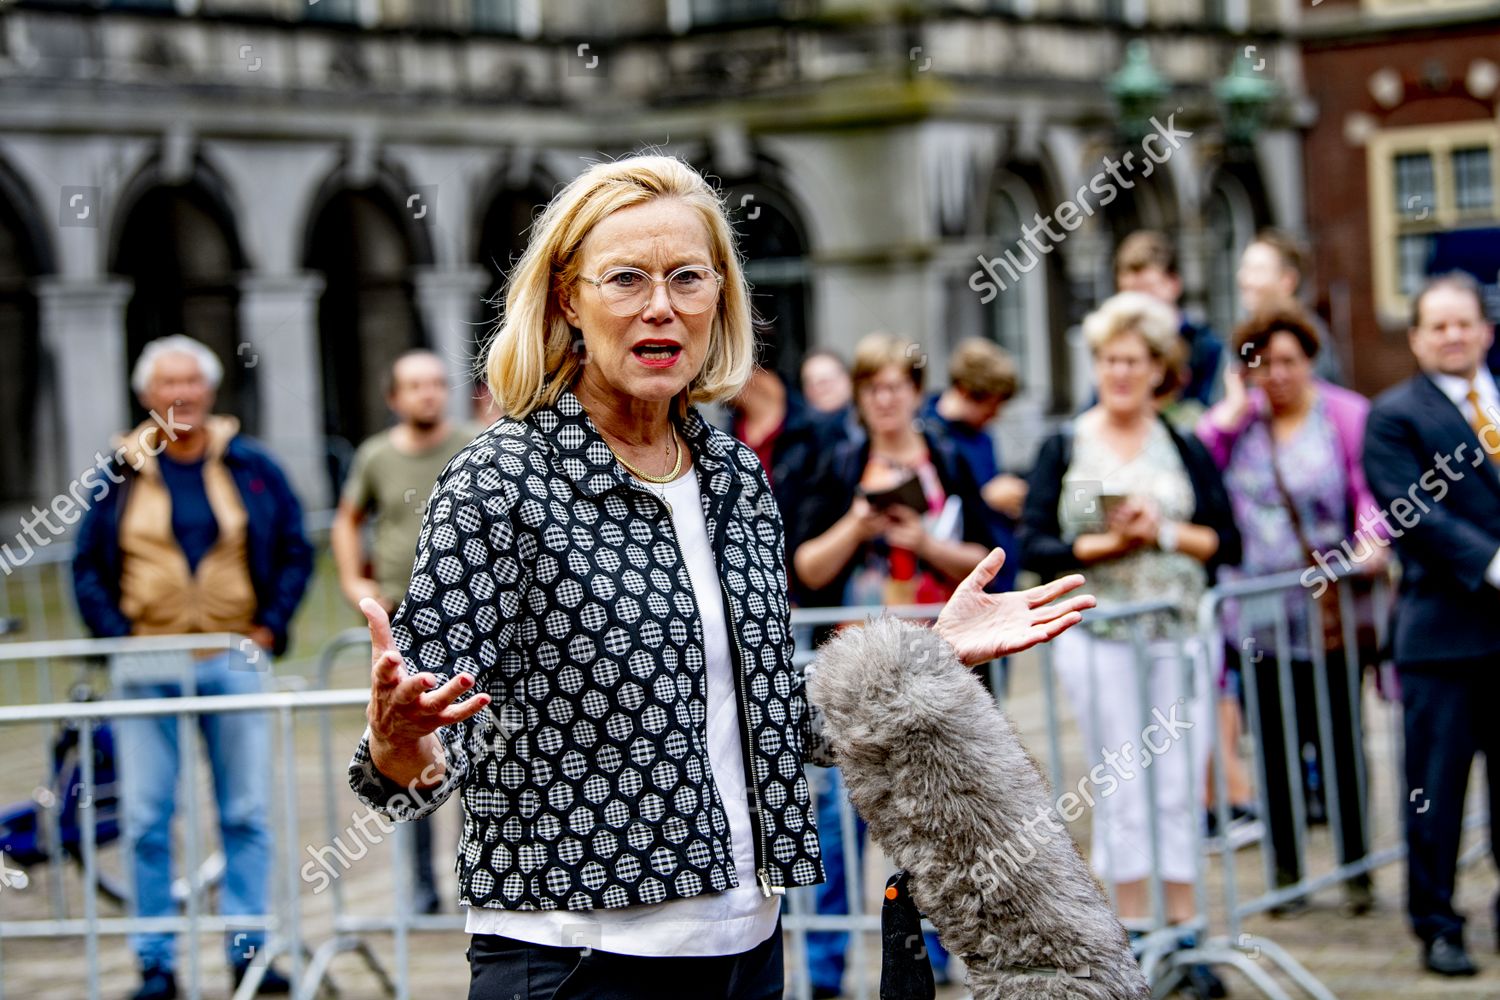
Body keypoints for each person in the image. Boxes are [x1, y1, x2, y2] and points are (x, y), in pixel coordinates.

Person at [344, 154, 1095, 999]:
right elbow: (412, 757)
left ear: (720, 298)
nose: (660, 305)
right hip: (573, 959)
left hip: (746, 945)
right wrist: (399, 740)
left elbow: (779, 725)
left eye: (687, 278)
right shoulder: (502, 478)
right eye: (625, 278)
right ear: (568, 299)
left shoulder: (734, 476)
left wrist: (931, 655)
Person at [72, 335, 313, 1000]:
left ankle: (248, 955)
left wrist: (271, 626)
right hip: (145, 662)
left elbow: (294, 547)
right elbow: (87, 567)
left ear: (209, 391)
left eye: (191, 383)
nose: (179, 395)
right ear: (147, 396)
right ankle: (155, 964)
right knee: (147, 818)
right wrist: (116, 636)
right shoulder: (115, 475)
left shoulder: (251, 465)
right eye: (165, 385)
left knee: (245, 813)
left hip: (233, 658)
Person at [1019, 292, 1241, 1000]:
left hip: (1178, 637)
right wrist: (1108, 543)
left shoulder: (1183, 442)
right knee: (1120, 780)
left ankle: (1188, 932)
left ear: (1157, 370)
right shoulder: (1066, 442)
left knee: (1178, 783)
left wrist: (1163, 534)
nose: (1119, 373)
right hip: (1101, 638)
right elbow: (1035, 543)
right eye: (1108, 361)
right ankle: (1135, 936)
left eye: (1133, 362)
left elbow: (1224, 538)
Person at [789, 331, 1001, 994]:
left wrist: (921, 544)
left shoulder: (949, 458)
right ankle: (826, 971)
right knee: (838, 824)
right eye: (871, 388)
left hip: (937, 670)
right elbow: (805, 566)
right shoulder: (838, 462)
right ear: (859, 398)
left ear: (915, 392)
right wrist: (858, 525)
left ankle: (934, 960)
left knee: (937, 821)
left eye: (896, 387)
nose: (884, 399)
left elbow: (990, 556)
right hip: (854, 673)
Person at [1197, 300, 1383, 916]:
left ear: (1308, 360)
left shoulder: (1344, 416)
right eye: (1261, 363)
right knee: (1272, 743)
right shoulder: (1237, 425)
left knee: (1339, 737)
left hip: (1328, 610)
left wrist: (1371, 536)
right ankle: (1284, 874)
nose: (1275, 374)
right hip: (1254, 613)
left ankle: (1356, 869)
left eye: (1287, 361)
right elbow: (1199, 473)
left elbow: (1365, 488)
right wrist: (1225, 414)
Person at [1363, 272, 1500, 977]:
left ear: (1486, 329)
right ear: (1416, 338)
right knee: (1435, 794)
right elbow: (1413, 511)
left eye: (1463, 322)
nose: (1452, 335)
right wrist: (1495, 563)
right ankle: (1438, 925)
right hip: (1442, 638)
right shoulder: (1394, 416)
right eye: (1437, 325)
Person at [331, 348, 478, 914]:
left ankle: (471, 867)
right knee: (406, 745)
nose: (428, 394)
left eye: (437, 384)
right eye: (415, 386)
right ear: (394, 398)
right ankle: (420, 884)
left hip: (466, 616)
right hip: (401, 621)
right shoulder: (375, 457)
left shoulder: (471, 447)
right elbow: (349, 519)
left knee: (468, 742)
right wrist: (351, 581)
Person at [921, 337, 1025, 594]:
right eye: (992, 405)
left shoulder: (983, 437)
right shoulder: (928, 434)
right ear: (966, 392)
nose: (996, 414)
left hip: (997, 575)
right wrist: (985, 498)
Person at [1116, 230, 1224, 407]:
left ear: (1174, 284)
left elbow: (1211, 412)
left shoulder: (1205, 345)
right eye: (1130, 294)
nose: (1139, 304)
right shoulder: (1117, 348)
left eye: (1148, 290)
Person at [1236, 229, 1343, 386]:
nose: (1245, 279)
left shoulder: (1307, 336)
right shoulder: (1248, 336)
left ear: (1288, 280)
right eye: (1244, 268)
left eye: (1257, 270)